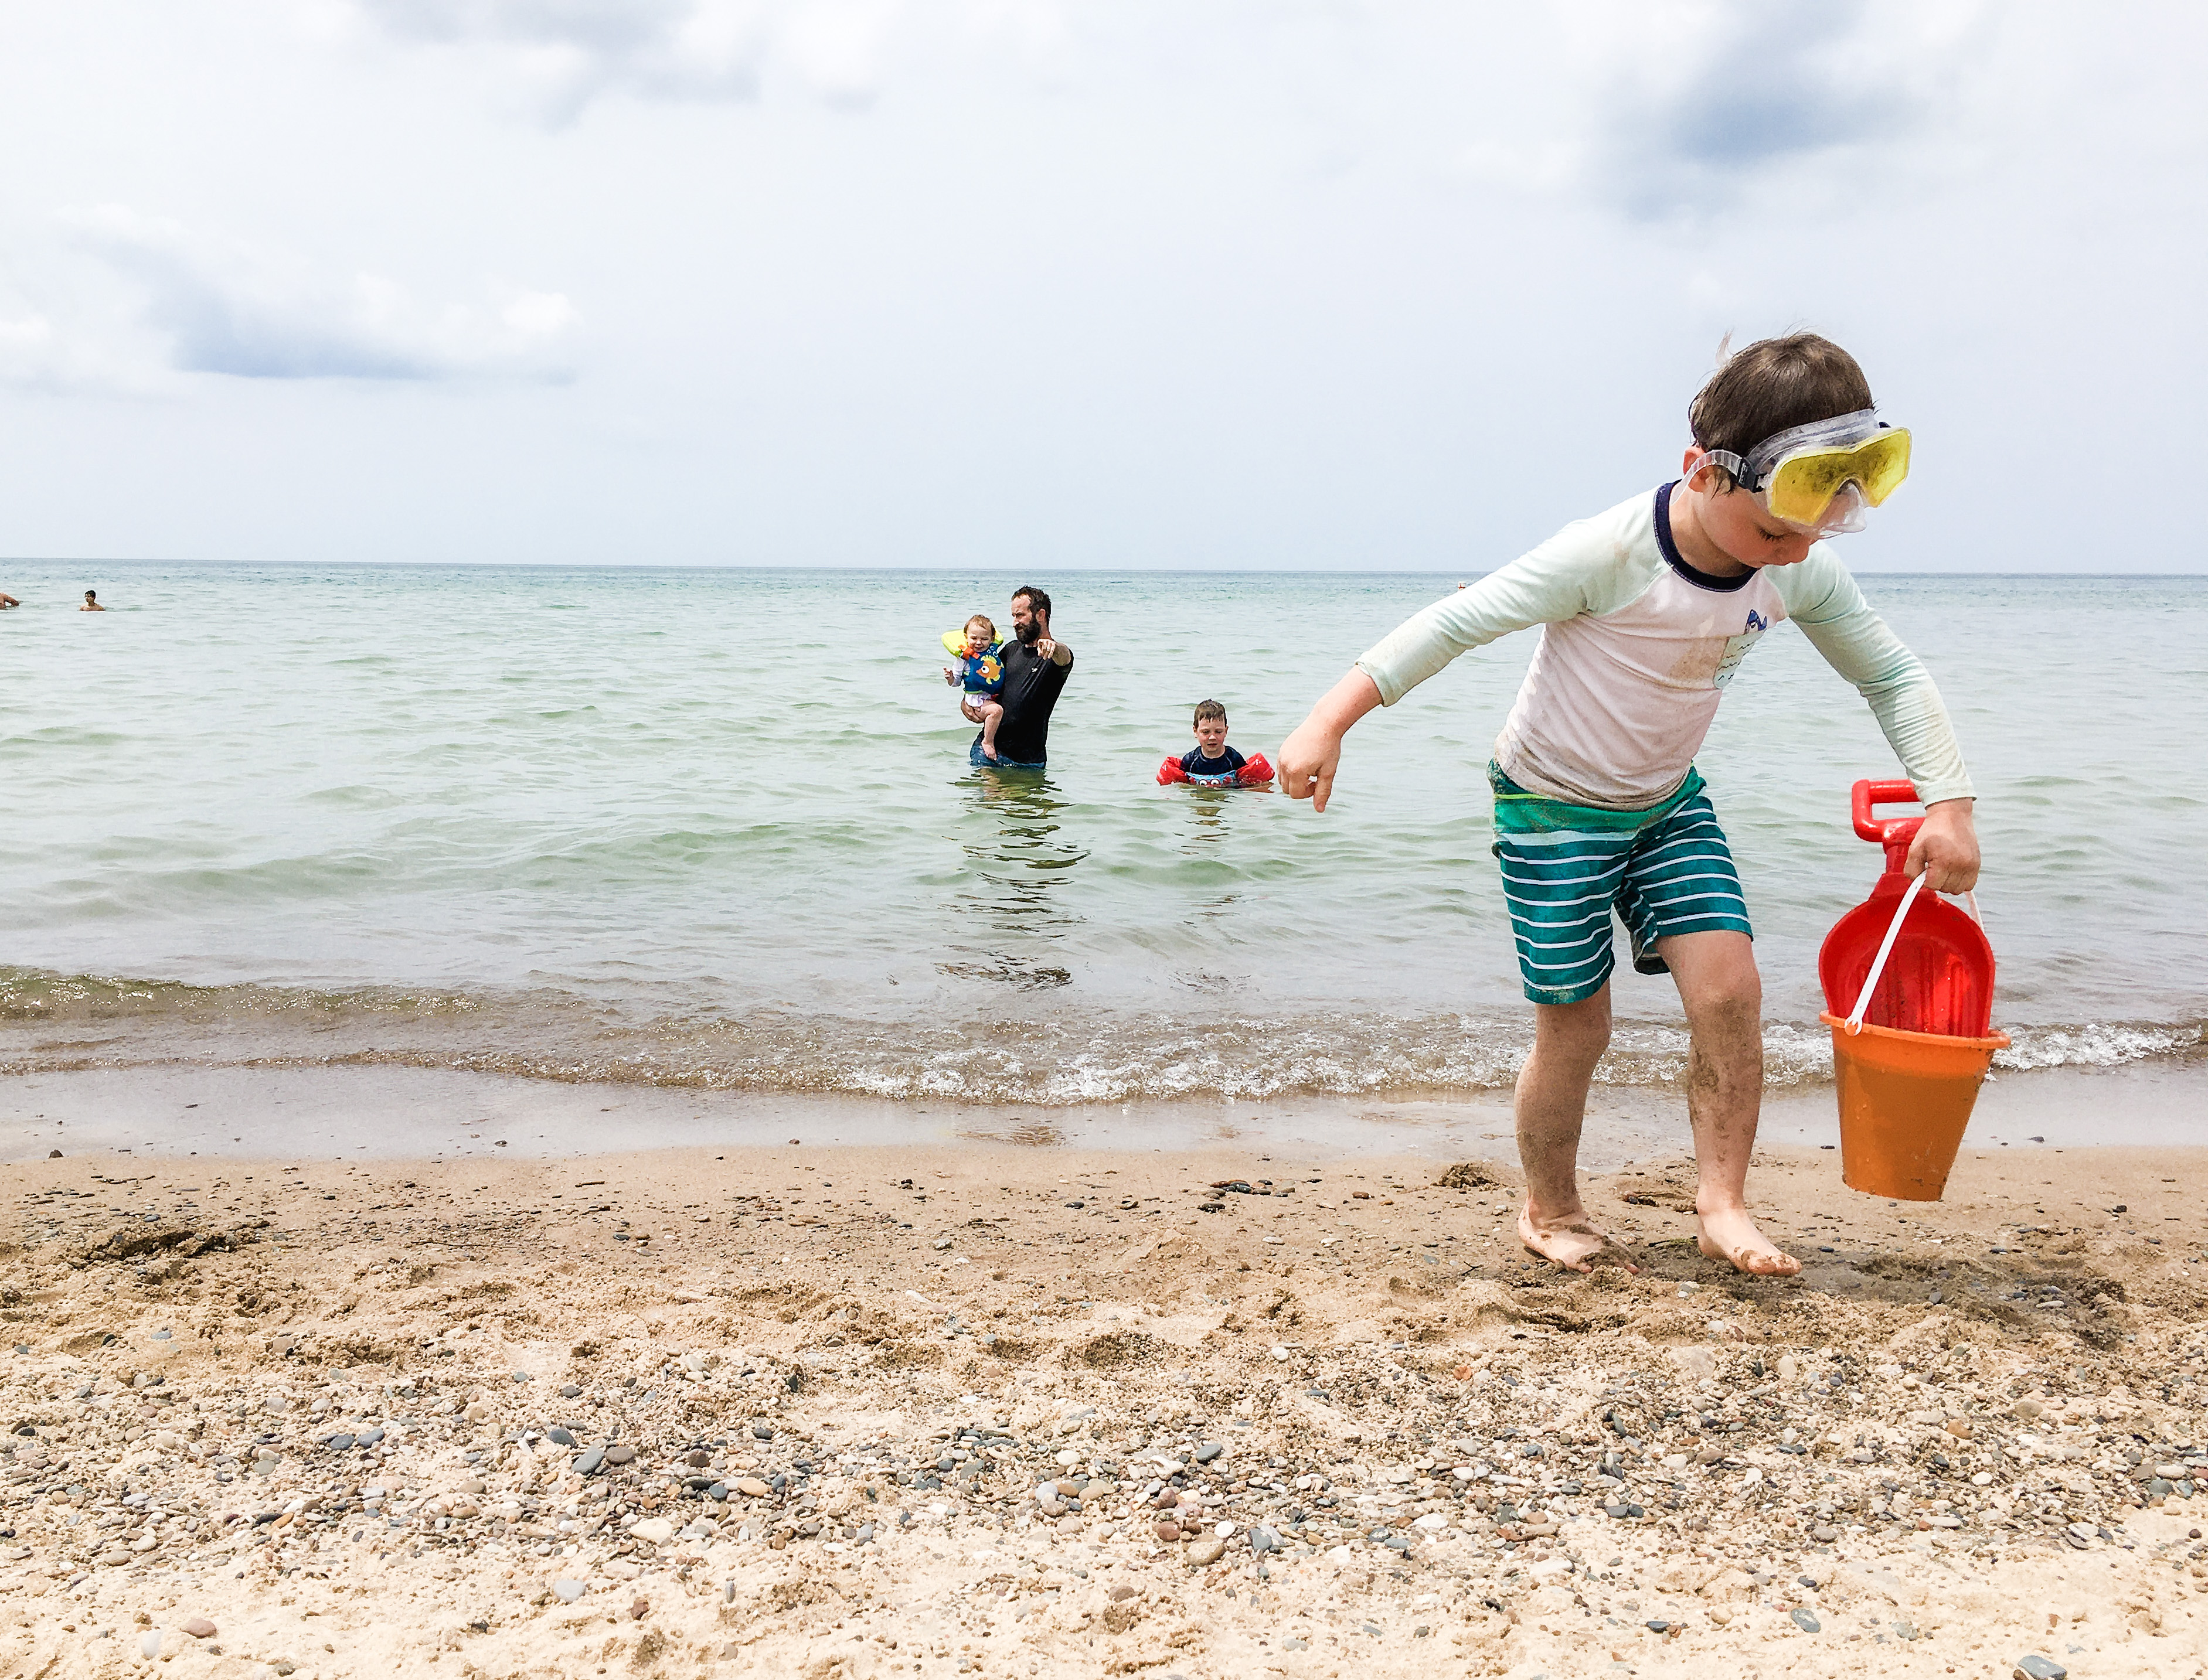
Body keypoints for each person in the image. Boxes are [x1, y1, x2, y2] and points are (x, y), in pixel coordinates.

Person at [1278, 332, 1978, 1279]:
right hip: (1549, 806)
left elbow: (1889, 674)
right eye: (1777, 529)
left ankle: (1721, 1203)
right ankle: (1549, 1204)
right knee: (1577, 1023)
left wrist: (1949, 801)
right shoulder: (1605, 553)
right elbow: (1454, 622)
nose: (1797, 549)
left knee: (1731, 994)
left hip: (1665, 804)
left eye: (1816, 528)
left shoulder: (1799, 563)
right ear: (1700, 474)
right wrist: (1327, 723)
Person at [965, 586, 1071, 770]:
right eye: (1014, 616)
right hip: (990, 753)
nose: (1015, 622)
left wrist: (1053, 647)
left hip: (1031, 762)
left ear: (1040, 615)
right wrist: (967, 704)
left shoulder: (1054, 658)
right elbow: (985, 683)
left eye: (1020, 615)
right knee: (992, 798)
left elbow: (1065, 657)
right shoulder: (1010, 649)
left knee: (1027, 800)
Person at [1157, 699, 1275, 787]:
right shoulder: (1190, 761)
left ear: (1226, 731)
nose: (1212, 737)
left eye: (1218, 731)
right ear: (1195, 731)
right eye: (1206, 732)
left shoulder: (1234, 759)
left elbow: (1245, 784)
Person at [942, 614, 1009, 762]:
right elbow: (956, 683)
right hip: (975, 699)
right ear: (966, 637)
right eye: (974, 638)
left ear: (991, 639)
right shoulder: (963, 660)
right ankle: (988, 741)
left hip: (989, 696)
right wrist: (950, 677)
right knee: (997, 711)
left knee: (996, 711)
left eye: (984, 639)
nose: (979, 643)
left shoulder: (992, 653)